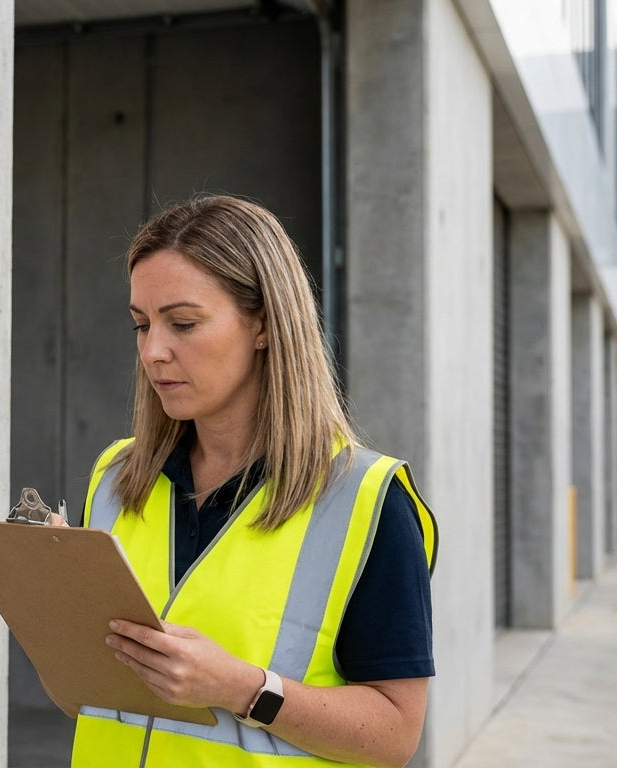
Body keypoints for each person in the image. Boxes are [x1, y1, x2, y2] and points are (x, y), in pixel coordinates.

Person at [53, 196, 437, 768]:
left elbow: (394, 737)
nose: (153, 351)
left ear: (263, 324)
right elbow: (80, 699)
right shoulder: (113, 479)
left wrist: (242, 689)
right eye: (141, 324)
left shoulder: (365, 499)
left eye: (183, 323)